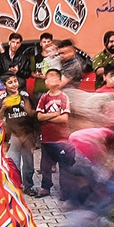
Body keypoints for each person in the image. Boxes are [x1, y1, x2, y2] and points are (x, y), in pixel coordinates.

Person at [0, 72, 37, 191]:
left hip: (27, 134)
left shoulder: (24, 95)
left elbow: (33, 114)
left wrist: (28, 110)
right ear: (4, 85)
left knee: (29, 163)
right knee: (14, 163)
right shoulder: (2, 98)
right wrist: (3, 108)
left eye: (15, 81)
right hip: (13, 135)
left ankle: (28, 186)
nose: (14, 84)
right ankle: (16, 185)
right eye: (10, 82)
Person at [36, 68, 72, 198]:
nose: (49, 80)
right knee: (45, 165)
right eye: (47, 77)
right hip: (47, 138)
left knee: (64, 166)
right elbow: (39, 117)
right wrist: (55, 114)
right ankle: (46, 187)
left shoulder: (64, 97)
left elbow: (64, 118)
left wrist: (48, 116)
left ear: (59, 81)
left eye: (53, 77)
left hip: (61, 139)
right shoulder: (44, 98)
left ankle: (65, 189)